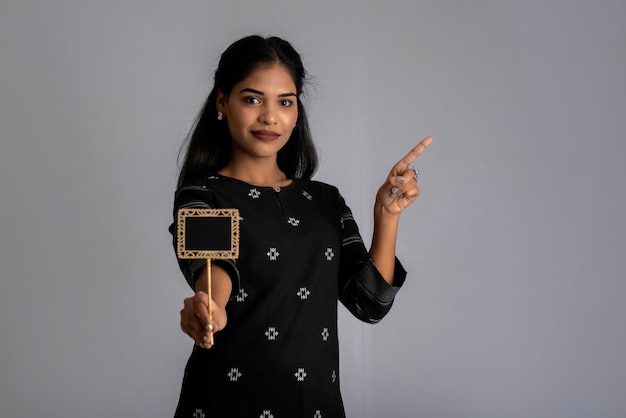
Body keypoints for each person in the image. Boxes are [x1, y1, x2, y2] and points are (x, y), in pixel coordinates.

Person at [170, 35, 432, 418]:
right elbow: (214, 270)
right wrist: (212, 309)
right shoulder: (203, 195)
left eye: (285, 102)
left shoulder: (325, 201)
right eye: (252, 98)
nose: (270, 117)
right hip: (225, 402)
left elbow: (370, 304)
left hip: (316, 407)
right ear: (223, 102)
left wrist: (387, 216)